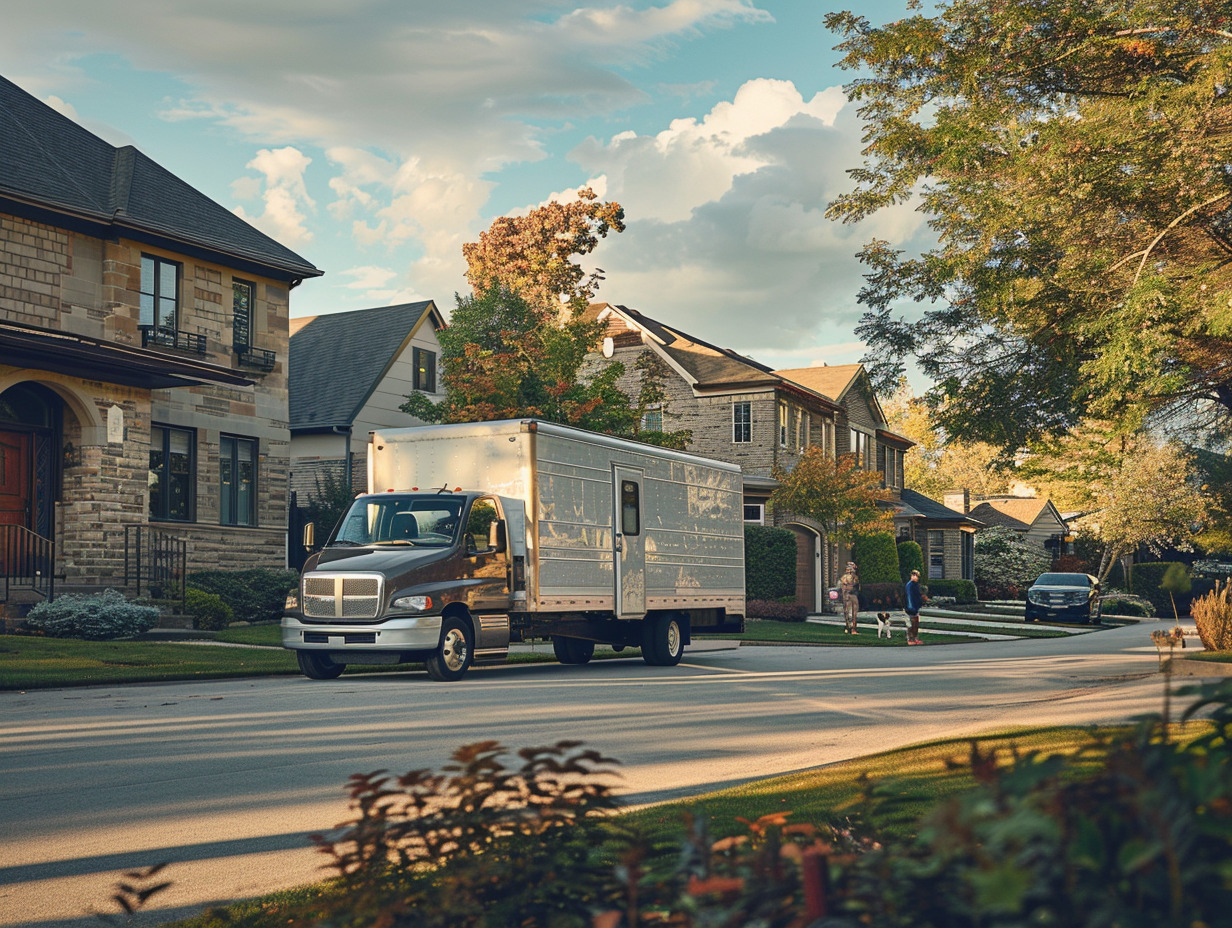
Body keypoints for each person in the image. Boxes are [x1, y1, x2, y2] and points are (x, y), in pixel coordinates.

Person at [839, 562, 861, 634]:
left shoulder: (843, 578)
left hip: (846, 595)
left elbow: (842, 588)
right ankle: (853, 629)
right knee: (853, 613)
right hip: (852, 595)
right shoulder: (854, 577)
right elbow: (856, 587)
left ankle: (848, 627)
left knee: (847, 612)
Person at [904, 568, 925, 645]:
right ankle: (910, 639)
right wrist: (911, 607)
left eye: (916, 575)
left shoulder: (915, 585)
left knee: (916, 623)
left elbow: (917, 596)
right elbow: (910, 597)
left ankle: (915, 638)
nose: (915, 577)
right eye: (914, 575)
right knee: (911, 624)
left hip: (915, 607)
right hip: (911, 607)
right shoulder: (910, 585)